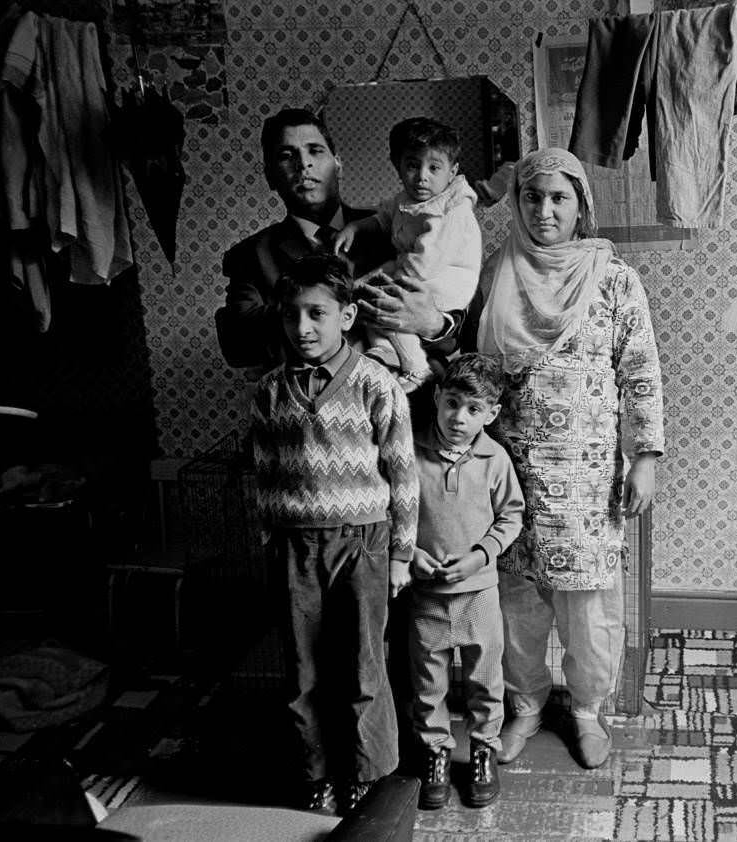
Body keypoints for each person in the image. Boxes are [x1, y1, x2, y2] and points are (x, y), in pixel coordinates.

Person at [466, 148, 665, 769]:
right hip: (510, 470)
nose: (545, 210)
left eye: (559, 198)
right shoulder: (495, 272)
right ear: (519, 205)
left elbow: (640, 372)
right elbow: (475, 375)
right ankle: (524, 706)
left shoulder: (613, 279)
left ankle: (586, 711)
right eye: (532, 197)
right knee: (517, 605)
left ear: (582, 206)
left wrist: (646, 455)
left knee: (588, 608)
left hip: (585, 475)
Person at [249, 253, 418, 816]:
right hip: (295, 543)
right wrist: (269, 534)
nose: (303, 328)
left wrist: (401, 553)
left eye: (317, 313)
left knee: (364, 664)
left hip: (363, 542)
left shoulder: (376, 382)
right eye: (292, 314)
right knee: (302, 668)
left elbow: (401, 472)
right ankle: (315, 772)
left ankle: (368, 776)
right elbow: (265, 470)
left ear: (347, 316)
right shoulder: (270, 391)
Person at [215, 107, 458, 381]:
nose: (303, 164)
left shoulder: (399, 226)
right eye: (287, 155)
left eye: (315, 151)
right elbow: (238, 346)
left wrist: (435, 324)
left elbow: (455, 329)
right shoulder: (250, 256)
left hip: (415, 407)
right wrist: (322, 308)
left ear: (338, 164)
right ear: (270, 176)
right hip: (319, 413)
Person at [408, 352, 523, 810]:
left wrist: (479, 557)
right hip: (426, 595)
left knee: (484, 678)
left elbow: (511, 518)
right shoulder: (410, 453)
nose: (459, 417)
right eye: (452, 403)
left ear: (491, 414)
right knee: (427, 681)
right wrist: (409, 554)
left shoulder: (495, 460)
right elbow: (397, 515)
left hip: (479, 593)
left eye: (473, 409)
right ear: (437, 398)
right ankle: (435, 751)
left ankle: (482, 751)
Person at [334, 117, 481, 395]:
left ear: (452, 172)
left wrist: (386, 275)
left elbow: (426, 261)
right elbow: (384, 218)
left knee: (386, 301)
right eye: (413, 165)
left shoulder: (451, 209)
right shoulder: (407, 199)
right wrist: (356, 227)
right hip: (419, 270)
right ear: (398, 166)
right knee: (374, 308)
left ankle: (416, 367)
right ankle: (385, 350)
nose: (422, 176)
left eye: (434, 167)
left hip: (447, 276)